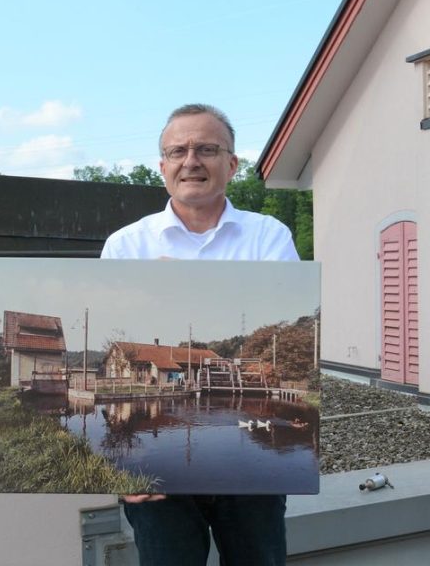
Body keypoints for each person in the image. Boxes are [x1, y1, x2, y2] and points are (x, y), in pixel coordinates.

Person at [101, 103, 297, 566]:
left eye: (207, 149)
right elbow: (120, 326)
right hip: (155, 472)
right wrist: (122, 471)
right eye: (179, 150)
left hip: (250, 465)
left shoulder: (269, 236)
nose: (192, 160)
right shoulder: (125, 245)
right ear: (162, 166)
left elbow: (281, 310)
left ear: (232, 164)